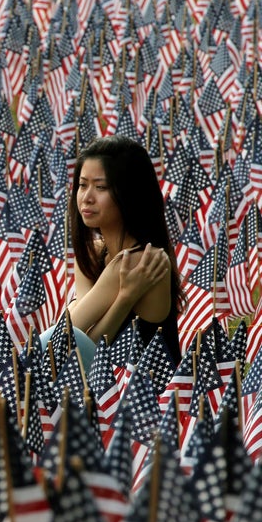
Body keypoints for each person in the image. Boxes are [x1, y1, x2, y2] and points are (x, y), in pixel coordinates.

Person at [62, 135, 183, 368]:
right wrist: (124, 300)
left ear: (130, 195)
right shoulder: (93, 253)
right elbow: (77, 339)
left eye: (100, 187)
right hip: (104, 390)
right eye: (82, 184)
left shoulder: (139, 259)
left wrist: (123, 298)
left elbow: (65, 340)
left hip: (148, 396)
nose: (87, 197)